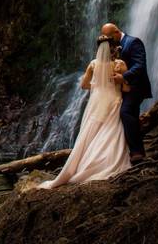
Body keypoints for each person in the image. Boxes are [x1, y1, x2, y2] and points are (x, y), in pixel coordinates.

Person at [38, 34, 131, 189]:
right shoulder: (120, 64)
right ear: (113, 47)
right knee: (112, 131)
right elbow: (127, 87)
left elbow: (84, 85)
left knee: (91, 133)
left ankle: (84, 164)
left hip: (97, 101)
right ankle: (106, 162)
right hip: (113, 100)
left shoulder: (93, 64)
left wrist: (98, 86)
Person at [100, 22, 151, 162]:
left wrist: (124, 77)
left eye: (109, 37)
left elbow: (140, 65)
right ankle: (118, 154)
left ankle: (137, 153)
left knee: (126, 112)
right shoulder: (113, 45)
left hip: (135, 87)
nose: (107, 41)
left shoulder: (133, 42)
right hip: (119, 89)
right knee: (117, 115)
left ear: (116, 32)